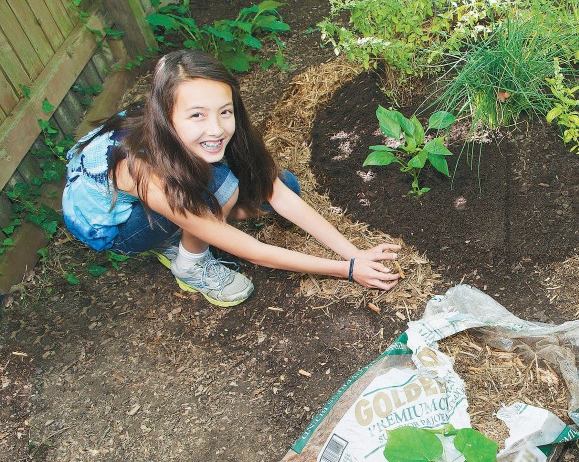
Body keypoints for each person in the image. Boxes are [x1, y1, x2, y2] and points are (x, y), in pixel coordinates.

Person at [63, 49, 400, 307]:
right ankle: (190, 265)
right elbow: (252, 251)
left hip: (170, 184)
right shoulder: (142, 168)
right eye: (197, 115)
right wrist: (348, 271)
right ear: (167, 116)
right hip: (120, 228)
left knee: (284, 187)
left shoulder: (208, 132)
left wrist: (352, 252)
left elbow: (278, 192)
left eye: (225, 112)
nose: (216, 128)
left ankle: (193, 223)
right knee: (219, 182)